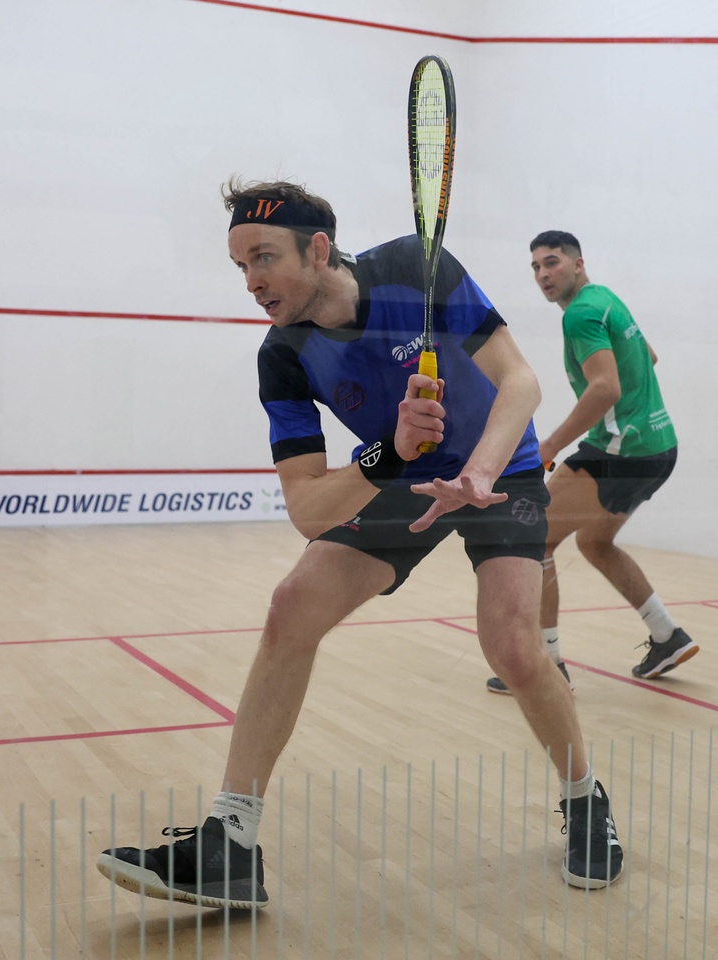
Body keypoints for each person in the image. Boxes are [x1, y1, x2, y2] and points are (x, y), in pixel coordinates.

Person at [96, 182, 623, 909]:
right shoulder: (283, 355)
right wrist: (390, 452)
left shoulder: (415, 267)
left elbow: (520, 383)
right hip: (404, 473)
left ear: (317, 249)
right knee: (292, 605)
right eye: (240, 265)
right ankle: (230, 843)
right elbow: (307, 509)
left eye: (263, 258)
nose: (251, 282)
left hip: (502, 467)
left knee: (511, 647)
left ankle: (585, 797)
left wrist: (477, 472)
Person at [486, 231, 697, 695]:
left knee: (535, 536)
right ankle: (667, 636)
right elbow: (649, 356)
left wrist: (548, 446)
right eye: (536, 267)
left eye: (552, 262)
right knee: (595, 542)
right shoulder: (604, 299)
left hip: (624, 452)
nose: (543, 274)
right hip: (659, 448)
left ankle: (545, 665)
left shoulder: (580, 314)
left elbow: (605, 388)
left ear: (578, 264)